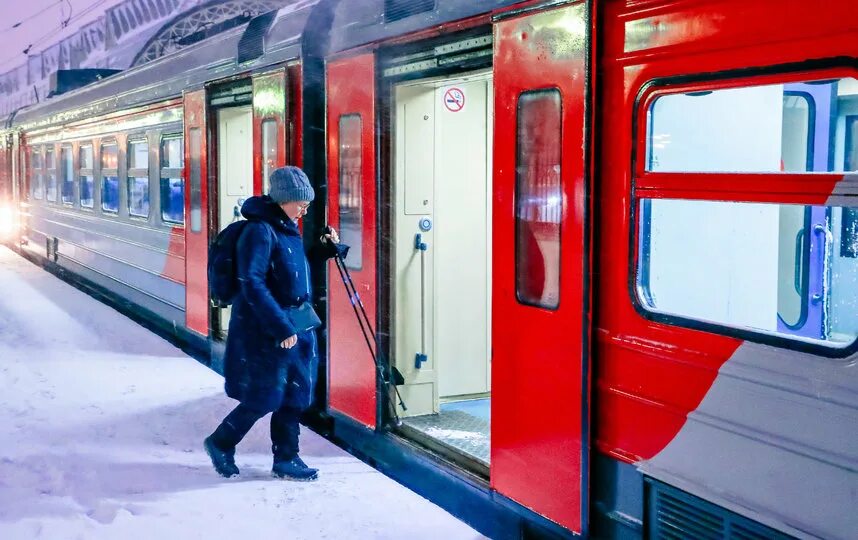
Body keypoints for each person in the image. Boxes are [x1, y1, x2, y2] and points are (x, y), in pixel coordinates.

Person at [204, 166, 341, 481]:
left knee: (296, 395)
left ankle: (287, 459)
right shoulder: (259, 231)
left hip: (298, 322)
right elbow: (251, 282)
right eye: (300, 202)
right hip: (267, 329)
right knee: (265, 396)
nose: (305, 208)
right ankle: (220, 442)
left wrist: (325, 250)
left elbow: (288, 271)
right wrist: (280, 327)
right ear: (283, 200)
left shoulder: (286, 228)